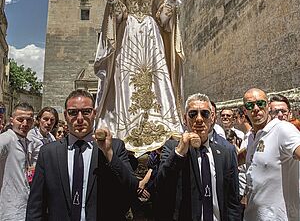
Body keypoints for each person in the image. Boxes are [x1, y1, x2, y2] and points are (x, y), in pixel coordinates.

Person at [94, 0, 185, 156]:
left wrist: (171, 2)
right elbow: (119, 15)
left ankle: (163, 122)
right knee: (126, 75)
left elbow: (163, 20)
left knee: (156, 74)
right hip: (129, 33)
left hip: (151, 32)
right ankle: (127, 126)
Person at [26, 89, 139, 221]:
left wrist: (108, 154)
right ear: (66, 115)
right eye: (73, 112)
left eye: (86, 112)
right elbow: (36, 203)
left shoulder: (114, 147)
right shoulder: (48, 153)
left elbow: (132, 186)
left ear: (94, 113)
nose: (80, 118)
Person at [155, 93, 241, 221]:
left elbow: (232, 200)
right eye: (193, 114)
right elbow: (161, 185)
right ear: (185, 119)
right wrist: (179, 152)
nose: (199, 119)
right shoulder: (173, 148)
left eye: (205, 114)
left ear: (212, 118)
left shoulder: (225, 153)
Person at [243, 88, 300, 221]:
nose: (256, 108)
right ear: (245, 111)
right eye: (250, 105)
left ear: (268, 106)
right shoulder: (254, 137)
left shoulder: (282, 129)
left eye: (261, 103)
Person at [0, 102, 34, 221]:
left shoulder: (26, 141)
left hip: (23, 206)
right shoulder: (6, 139)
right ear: (12, 120)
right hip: (9, 210)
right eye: (20, 119)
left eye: (28, 120)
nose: (25, 124)